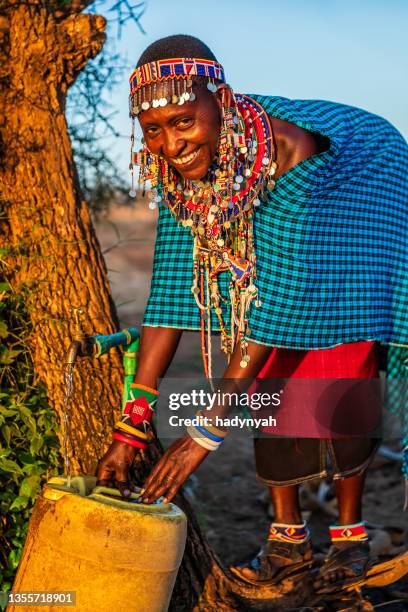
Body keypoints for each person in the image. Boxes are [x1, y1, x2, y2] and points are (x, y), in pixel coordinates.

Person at [96, 34, 408, 592]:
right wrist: (134, 423)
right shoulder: (174, 175)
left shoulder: (293, 151)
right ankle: (286, 542)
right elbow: (168, 296)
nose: (171, 144)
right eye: (154, 129)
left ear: (222, 99)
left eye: (185, 122)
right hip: (291, 217)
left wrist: (206, 433)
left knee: (341, 363)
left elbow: (278, 301)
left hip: (363, 185)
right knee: (273, 380)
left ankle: (351, 537)